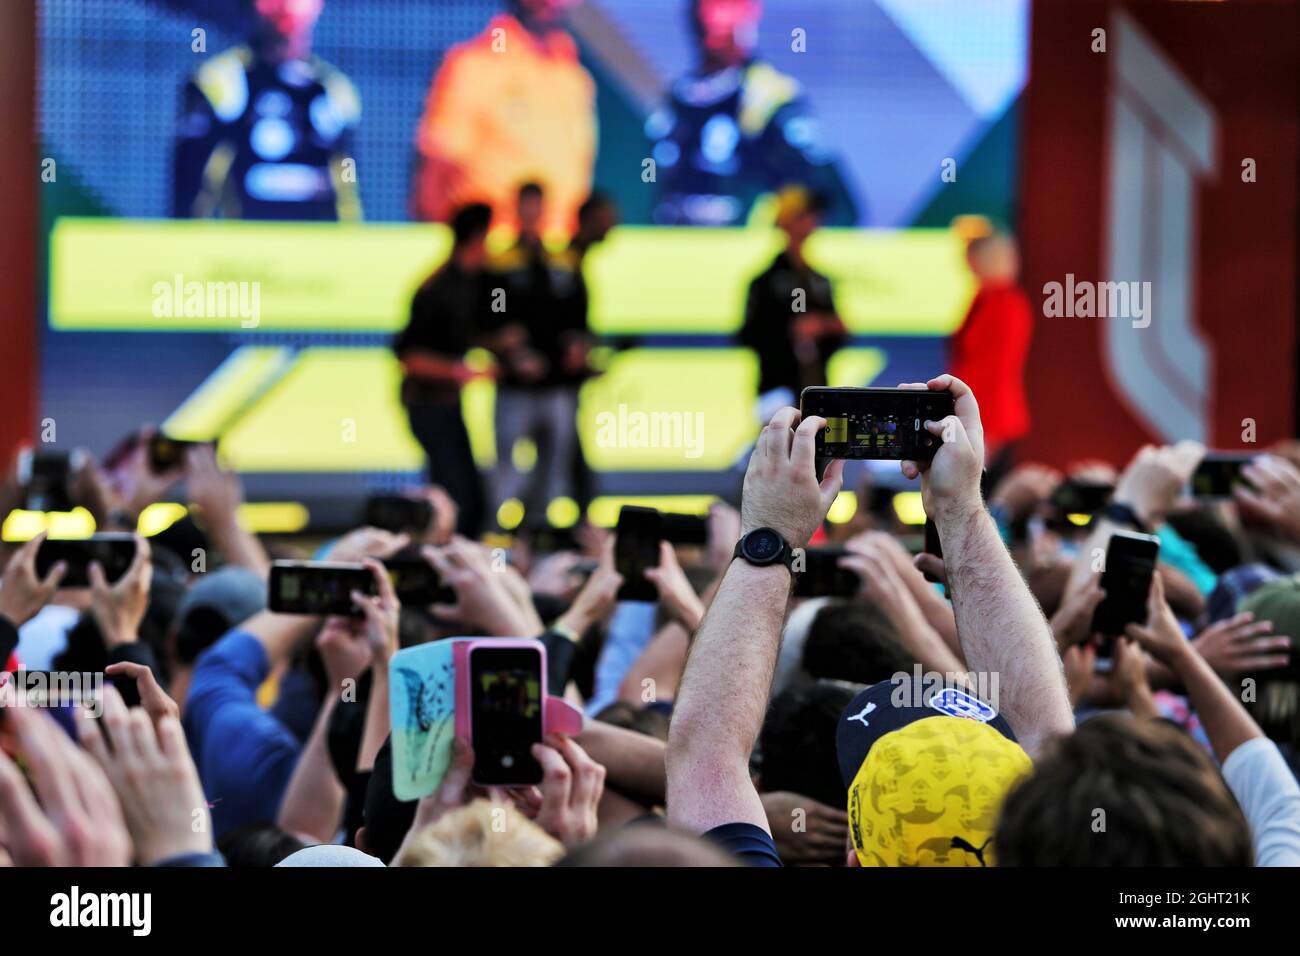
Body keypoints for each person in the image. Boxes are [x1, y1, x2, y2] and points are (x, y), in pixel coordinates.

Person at [648, 0, 858, 226]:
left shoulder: (772, 96)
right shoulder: (679, 97)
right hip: (674, 243)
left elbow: (826, 191)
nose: (715, 23)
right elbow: (652, 179)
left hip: (748, 249)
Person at [411, 0, 595, 233]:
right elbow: (435, 170)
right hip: (491, 249)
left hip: (559, 250)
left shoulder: (573, 76)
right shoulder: (474, 65)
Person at [172, 0, 361, 220]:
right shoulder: (219, 81)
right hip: (244, 246)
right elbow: (190, 188)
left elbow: (348, 185)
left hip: (318, 245)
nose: (285, 6)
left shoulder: (336, 91)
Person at [484, 185, 603, 527]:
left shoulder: (563, 263)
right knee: (506, 466)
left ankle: (539, 533)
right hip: (515, 386)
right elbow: (489, 315)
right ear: (517, 210)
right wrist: (509, 348)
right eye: (526, 208)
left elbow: (580, 318)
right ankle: (496, 535)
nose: (532, 216)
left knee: (554, 468)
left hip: (557, 387)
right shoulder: (500, 264)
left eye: (538, 208)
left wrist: (579, 348)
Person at [394, 203, 493, 537]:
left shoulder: (473, 284)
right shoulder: (436, 289)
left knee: (471, 495)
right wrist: (459, 372)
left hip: (448, 405)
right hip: (426, 404)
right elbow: (410, 358)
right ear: (477, 237)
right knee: (454, 495)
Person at [739, 187, 846, 413]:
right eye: (802, 216)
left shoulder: (819, 280)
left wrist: (823, 325)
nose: (810, 222)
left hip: (817, 392)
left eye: (812, 215)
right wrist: (789, 331)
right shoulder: (764, 281)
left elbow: (842, 331)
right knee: (776, 444)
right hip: (775, 391)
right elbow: (746, 335)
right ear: (785, 222)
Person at [949, 232, 1034, 473]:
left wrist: (984, 424)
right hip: (977, 410)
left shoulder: (1005, 303)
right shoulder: (984, 299)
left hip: (989, 413)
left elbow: (995, 366)